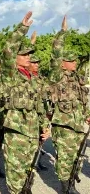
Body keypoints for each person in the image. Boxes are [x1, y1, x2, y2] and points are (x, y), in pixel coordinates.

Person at [0, 11, 50, 193]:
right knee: (16, 170)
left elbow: (39, 106)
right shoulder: (11, 75)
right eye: (24, 54)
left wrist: (45, 126)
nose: (29, 57)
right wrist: (22, 29)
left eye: (30, 54)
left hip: (32, 132)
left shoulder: (32, 79)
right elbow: (8, 50)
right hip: (17, 132)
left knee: (29, 168)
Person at [48, 16, 90, 193]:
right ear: (63, 63)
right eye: (71, 60)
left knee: (77, 157)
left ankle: (71, 182)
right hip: (64, 125)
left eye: (75, 60)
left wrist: (88, 114)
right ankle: (65, 187)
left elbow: (85, 99)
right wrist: (63, 33)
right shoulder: (58, 76)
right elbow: (56, 52)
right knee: (65, 157)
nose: (74, 63)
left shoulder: (78, 79)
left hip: (78, 123)